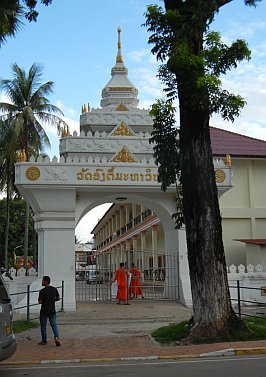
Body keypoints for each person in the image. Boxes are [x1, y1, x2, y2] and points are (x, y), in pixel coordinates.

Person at [38, 275, 61, 346]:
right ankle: (56, 337)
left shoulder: (42, 291)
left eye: (42, 281)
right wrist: (52, 300)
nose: (41, 282)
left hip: (44, 310)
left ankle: (44, 341)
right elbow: (58, 298)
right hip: (52, 310)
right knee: (54, 324)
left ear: (46, 281)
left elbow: (40, 301)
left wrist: (44, 300)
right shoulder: (54, 289)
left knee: (43, 326)